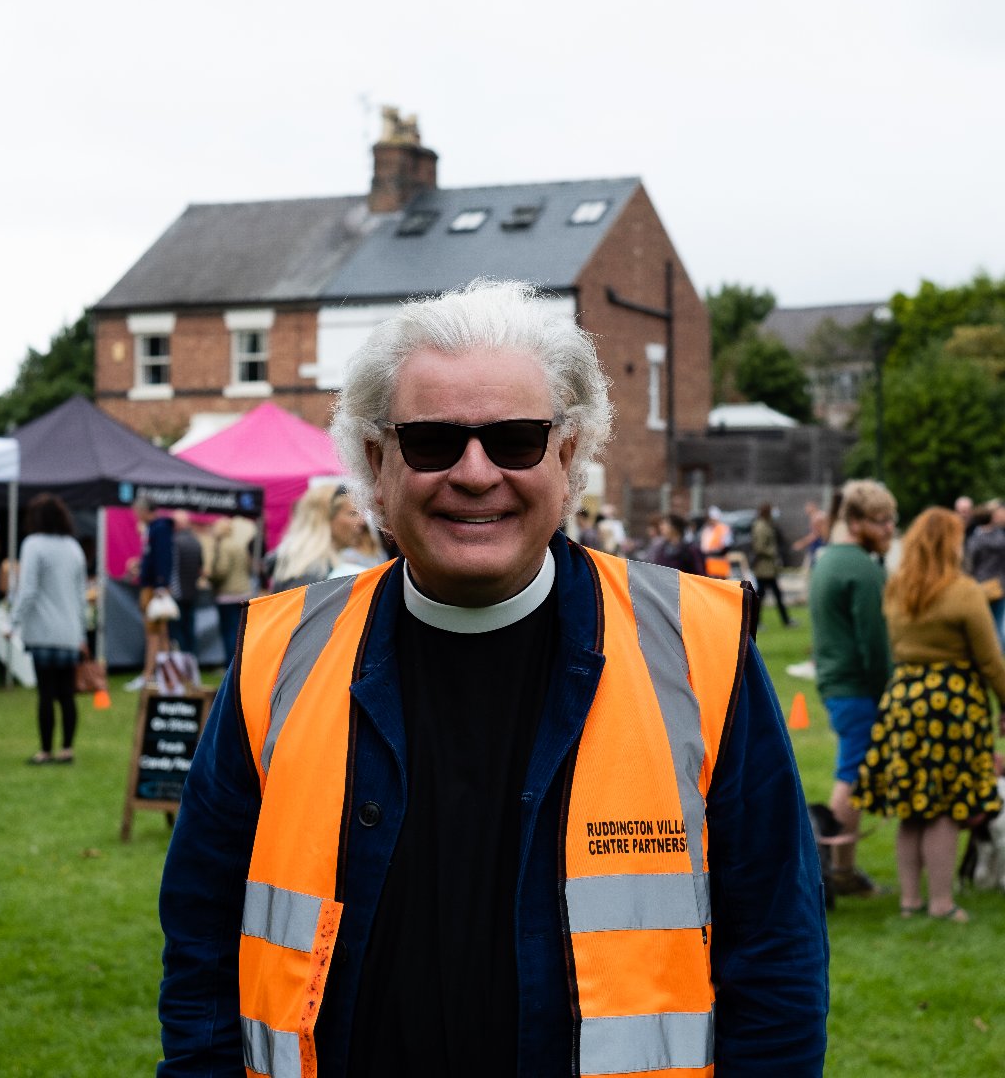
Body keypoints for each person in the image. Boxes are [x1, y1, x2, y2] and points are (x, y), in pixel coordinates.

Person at [157, 279, 828, 1077]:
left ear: (568, 457)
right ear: (376, 464)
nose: (475, 473)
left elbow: (776, 960)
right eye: (431, 442)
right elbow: (201, 943)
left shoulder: (697, 650)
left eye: (515, 439)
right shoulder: (280, 654)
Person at [853, 507, 1004, 921]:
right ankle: (940, 902)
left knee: (912, 808)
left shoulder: (896, 589)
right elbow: (990, 661)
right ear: (952, 545)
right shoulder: (963, 591)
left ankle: (909, 901)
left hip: (904, 698)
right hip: (951, 704)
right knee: (945, 808)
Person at [808, 478, 896, 895]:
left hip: (836, 683)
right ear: (856, 522)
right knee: (852, 775)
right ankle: (839, 872)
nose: (889, 529)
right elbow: (875, 645)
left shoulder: (827, 559)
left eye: (892, 520)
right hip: (857, 687)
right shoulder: (861, 568)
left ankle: (840, 869)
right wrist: (889, 693)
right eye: (881, 521)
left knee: (853, 772)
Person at [10, 494, 89, 765]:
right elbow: (80, 595)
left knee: (46, 694)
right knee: (67, 694)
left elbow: (28, 590)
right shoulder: (73, 547)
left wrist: (13, 621)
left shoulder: (33, 544)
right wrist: (81, 633)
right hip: (69, 632)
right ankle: (67, 749)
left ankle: (45, 750)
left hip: (42, 631)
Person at [269, 484, 380, 592]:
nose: (362, 522)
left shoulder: (310, 567)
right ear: (325, 519)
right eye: (352, 513)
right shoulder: (312, 572)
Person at [126, 498, 175, 691]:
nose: (135, 516)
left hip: (154, 588)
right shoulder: (154, 529)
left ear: (145, 510)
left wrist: (161, 584)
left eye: (137, 511)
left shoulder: (159, 529)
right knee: (160, 632)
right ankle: (165, 674)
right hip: (154, 586)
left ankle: (149, 674)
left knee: (154, 632)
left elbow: (163, 557)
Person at [207, 517, 253, 663]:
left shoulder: (223, 546)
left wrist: (210, 577)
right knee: (240, 632)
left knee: (229, 632)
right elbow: (248, 566)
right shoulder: (239, 545)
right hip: (243, 592)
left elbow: (222, 570)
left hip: (227, 595)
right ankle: (241, 663)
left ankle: (231, 665)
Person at [964, 501, 1005, 646]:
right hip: (1000, 584)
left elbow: (970, 564)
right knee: (999, 622)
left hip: (981, 584)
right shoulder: (1001, 538)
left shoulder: (975, 540)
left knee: (985, 623)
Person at [751, 503, 795, 627]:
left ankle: (785, 620)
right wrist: (773, 552)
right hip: (763, 569)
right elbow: (759, 547)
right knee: (762, 596)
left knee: (774, 594)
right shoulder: (761, 526)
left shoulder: (766, 525)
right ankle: (756, 622)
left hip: (769, 568)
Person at [168, 510, 204, 656]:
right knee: (190, 628)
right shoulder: (196, 542)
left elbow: (171, 568)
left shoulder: (173, 542)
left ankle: (181, 660)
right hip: (192, 592)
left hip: (177, 593)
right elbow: (200, 568)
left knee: (177, 630)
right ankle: (191, 659)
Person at [698, 505, 733, 579]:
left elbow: (727, 545)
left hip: (720, 561)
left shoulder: (723, 528)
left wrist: (717, 551)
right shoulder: (706, 529)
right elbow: (703, 547)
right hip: (708, 561)